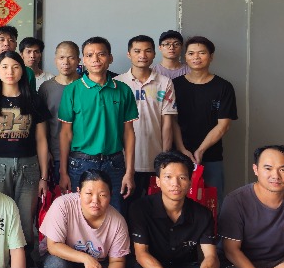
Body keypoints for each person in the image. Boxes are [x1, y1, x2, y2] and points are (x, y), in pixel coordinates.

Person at [0, 51, 50, 257]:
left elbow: (42, 141)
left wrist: (44, 177)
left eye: (15, 67)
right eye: (5, 67)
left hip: (29, 166)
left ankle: (24, 265)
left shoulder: (34, 101)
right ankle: (0, 261)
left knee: (25, 220)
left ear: (22, 71)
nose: (10, 72)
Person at [129, 151, 224, 268]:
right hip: (152, 266)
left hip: (184, 265)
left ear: (190, 182)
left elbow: (211, 257)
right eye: (168, 177)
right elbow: (141, 253)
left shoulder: (202, 214)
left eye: (182, 177)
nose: (175, 184)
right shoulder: (140, 208)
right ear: (158, 181)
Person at [57, 36, 139, 213]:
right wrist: (63, 172)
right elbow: (65, 133)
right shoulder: (72, 90)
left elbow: (129, 133)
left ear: (110, 58)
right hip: (80, 163)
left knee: (115, 213)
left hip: (115, 163)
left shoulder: (123, 90)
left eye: (101, 54)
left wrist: (129, 172)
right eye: (89, 55)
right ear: (83, 60)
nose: (95, 59)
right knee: (81, 215)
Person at [40, 169, 130, 268]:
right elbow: (53, 246)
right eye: (89, 193)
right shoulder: (62, 205)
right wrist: (85, 258)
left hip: (97, 267)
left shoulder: (118, 222)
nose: (95, 201)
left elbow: (117, 261)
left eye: (102, 195)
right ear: (79, 192)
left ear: (110, 195)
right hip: (64, 260)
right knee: (56, 266)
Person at [114, 35, 177, 208]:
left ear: (154, 54)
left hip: (154, 160)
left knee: (154, 211)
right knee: (124, 210)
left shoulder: (164, 83)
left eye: (148, 51)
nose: (142, 55)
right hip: (123, 162)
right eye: (137, 51)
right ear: (129, 54)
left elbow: (167, 123)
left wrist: (165, 158)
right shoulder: (117, 83)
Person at [172, 36, 237, 204]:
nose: (196, 57)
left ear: (211, 56)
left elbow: (223, 126)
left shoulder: (223, 87)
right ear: (185, 57)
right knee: (178, 202)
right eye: (191, 53)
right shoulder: (174, 85)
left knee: (212, 203)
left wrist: (200, 150)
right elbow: (172, 121)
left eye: (201, 53)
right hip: (179, 155)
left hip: (212, 156)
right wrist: (182, 148)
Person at [38, 41, 80, 181]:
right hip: (55, 156)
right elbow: (42, 124)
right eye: (61, 58)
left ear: (79, 60)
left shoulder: (87, 86)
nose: (66, 62)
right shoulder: (46, 88)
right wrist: (46, 152)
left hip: (83, 155)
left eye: (71, 57)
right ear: (55, 60)